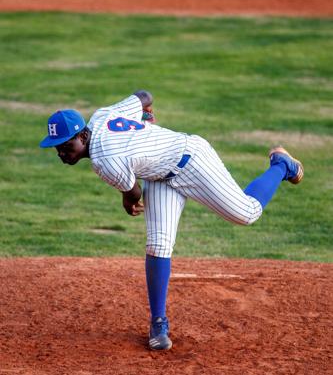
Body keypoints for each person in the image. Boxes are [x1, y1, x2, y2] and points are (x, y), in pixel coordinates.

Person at [40, 90, 304, 351]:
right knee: (158, 245)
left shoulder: (104, 159)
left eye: (66, 145)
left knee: (246, 213)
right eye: (57, 148)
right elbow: (144, 95)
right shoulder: (101, 116)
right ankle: (158, 323)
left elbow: (133, 192)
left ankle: (280, 164)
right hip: (158, 176)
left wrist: (128, 202)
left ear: (84, 135)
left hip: (193, 161)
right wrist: (146, 115)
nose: (61, 153)